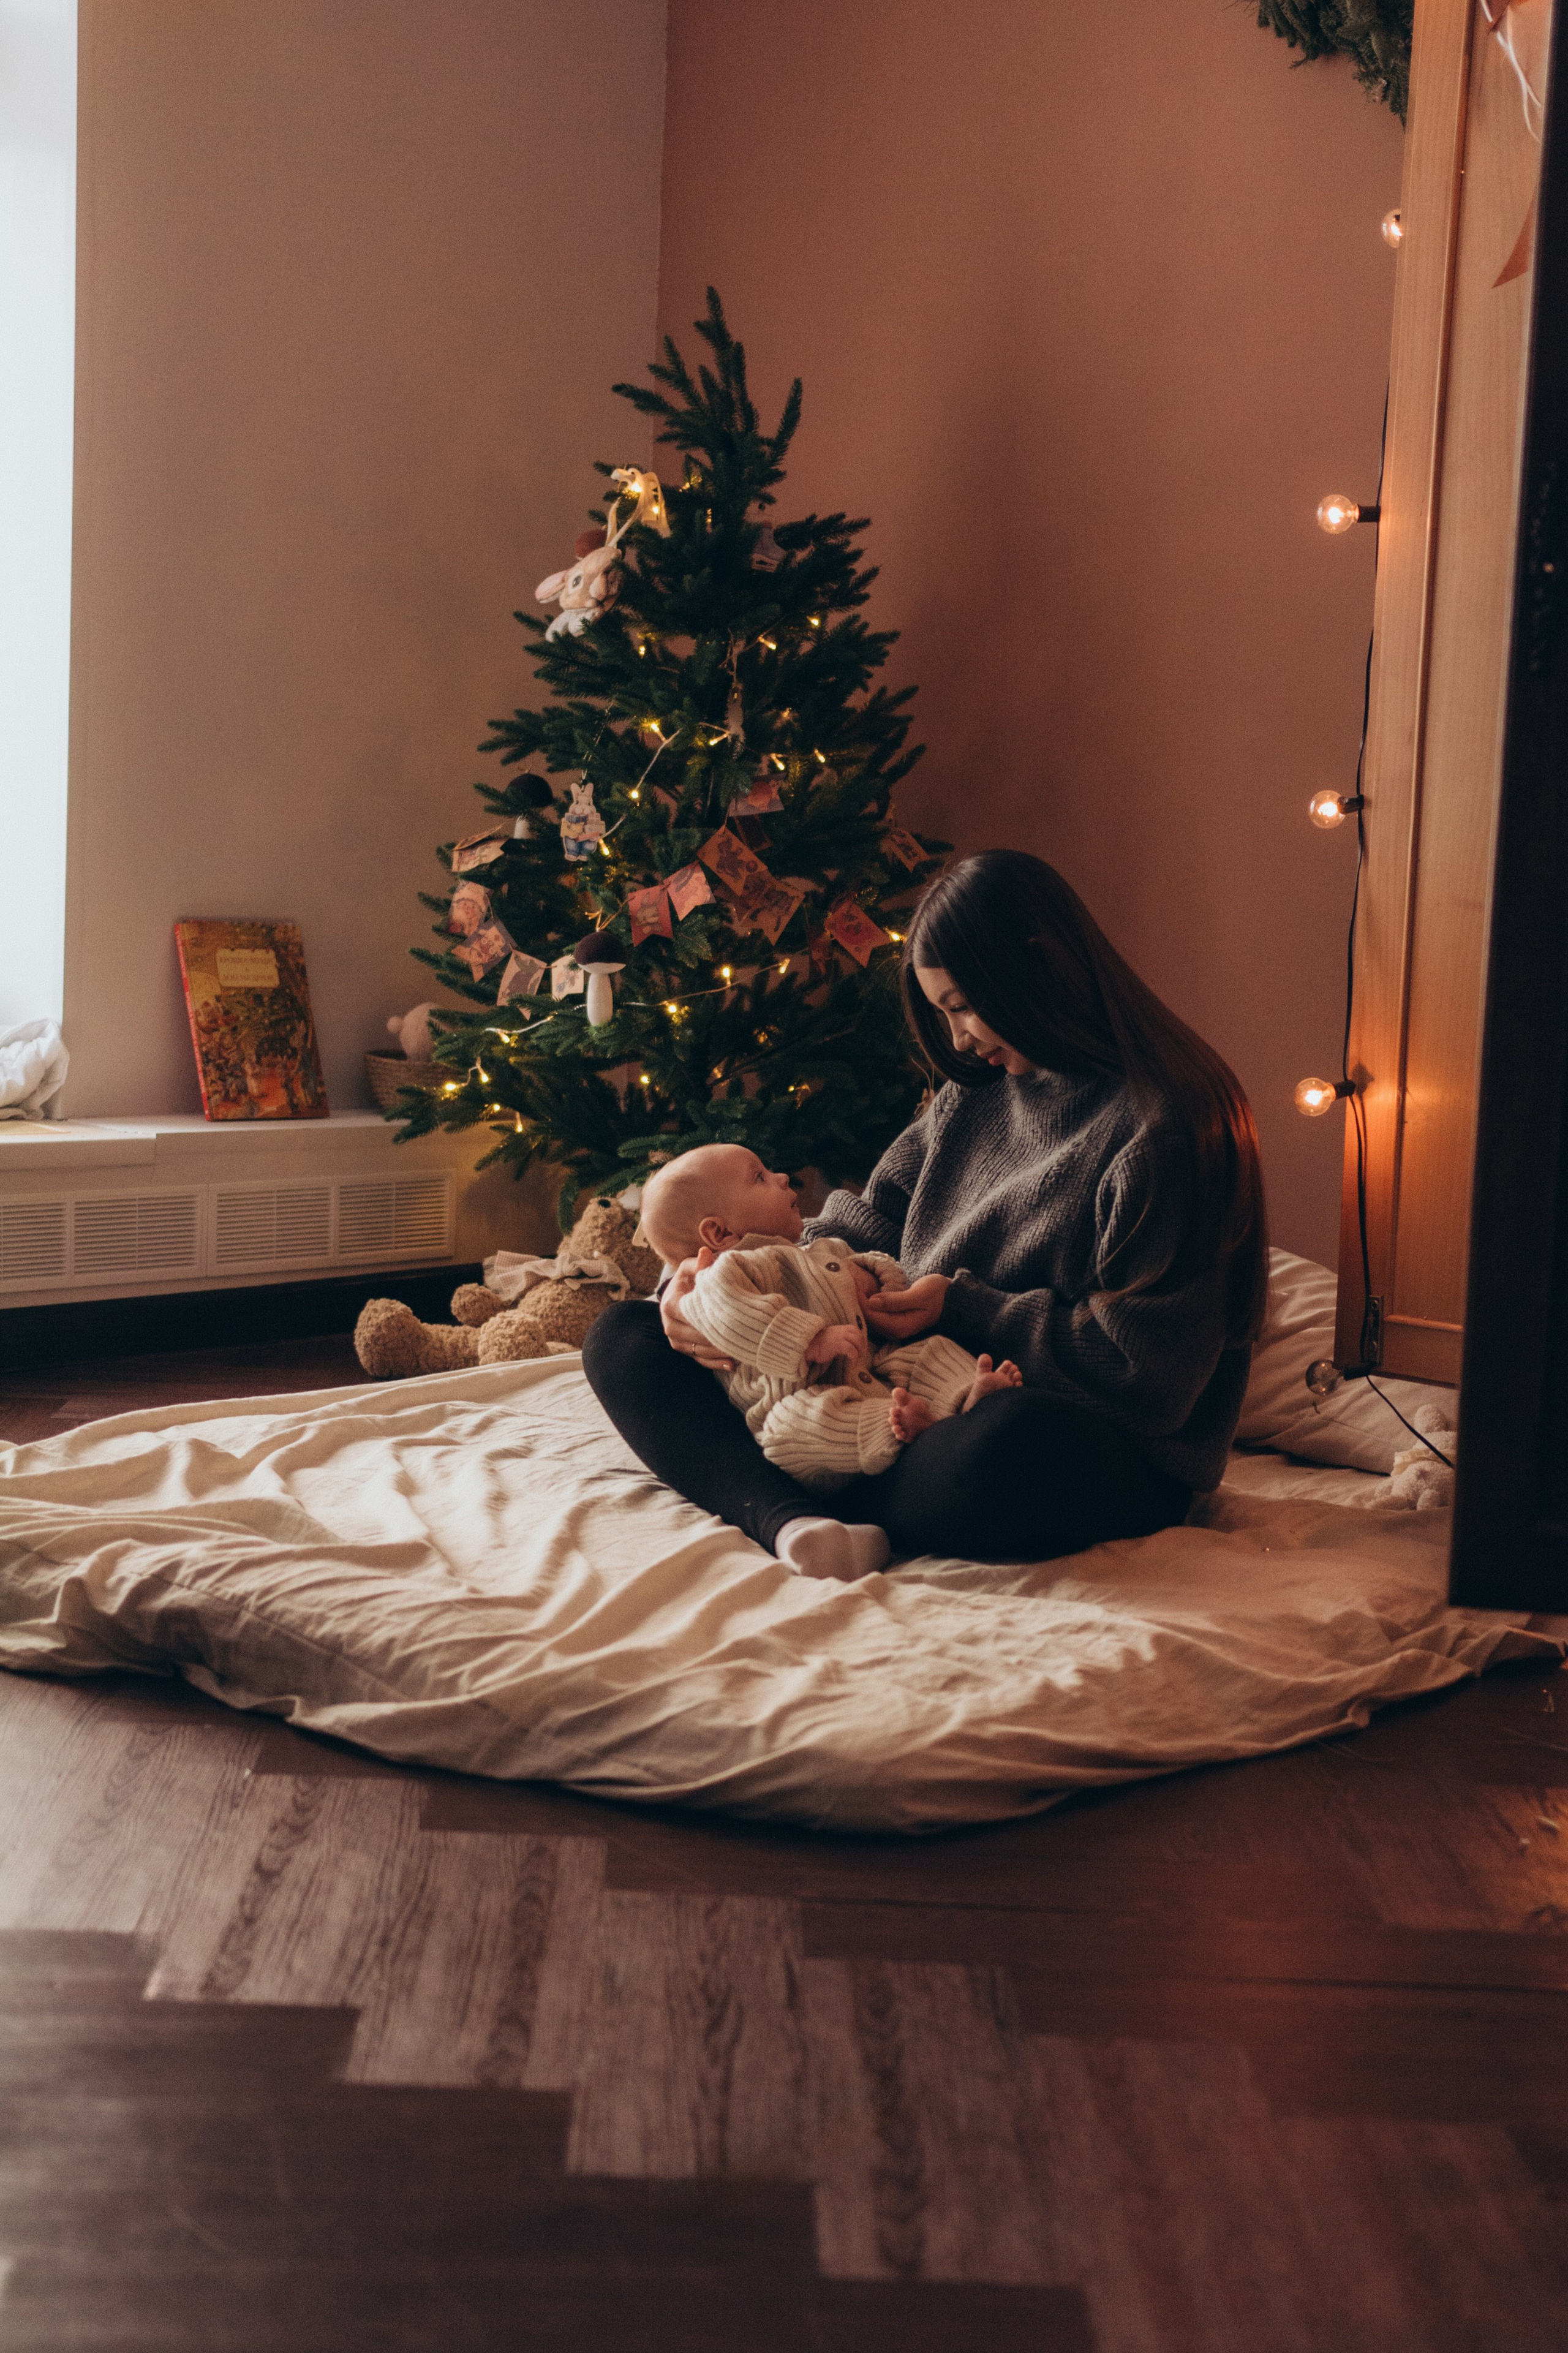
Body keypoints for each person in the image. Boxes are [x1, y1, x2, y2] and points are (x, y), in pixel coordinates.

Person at [584, 848, 1268, 1568]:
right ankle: (792, 1521)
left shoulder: (1170, 1125)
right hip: (897, 1387)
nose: (957, 1039)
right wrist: (701, 1287)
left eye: (964, 1007)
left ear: (1040, 968)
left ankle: (792, 1483)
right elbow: (854, 1226)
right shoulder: (972, 1093)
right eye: (945, 1011)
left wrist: (962, 1307)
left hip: (1079, 1433)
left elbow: (1146, 1381)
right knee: (624, 1336)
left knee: (1001, 1445)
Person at [638, 1143, 1021, 1576]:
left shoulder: (816, 1249)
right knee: (815, 1421)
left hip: (872, 1365)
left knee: (926, 1354)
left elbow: (871, 1257)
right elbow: (728, 1310)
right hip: (794, 1395)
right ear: (720, 1234)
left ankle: (968, 1393)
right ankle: (895, 1429)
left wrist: (878, 1279)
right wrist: (808, 1340)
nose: (782, 1177)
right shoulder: (728, 1272)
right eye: (760, 1177)